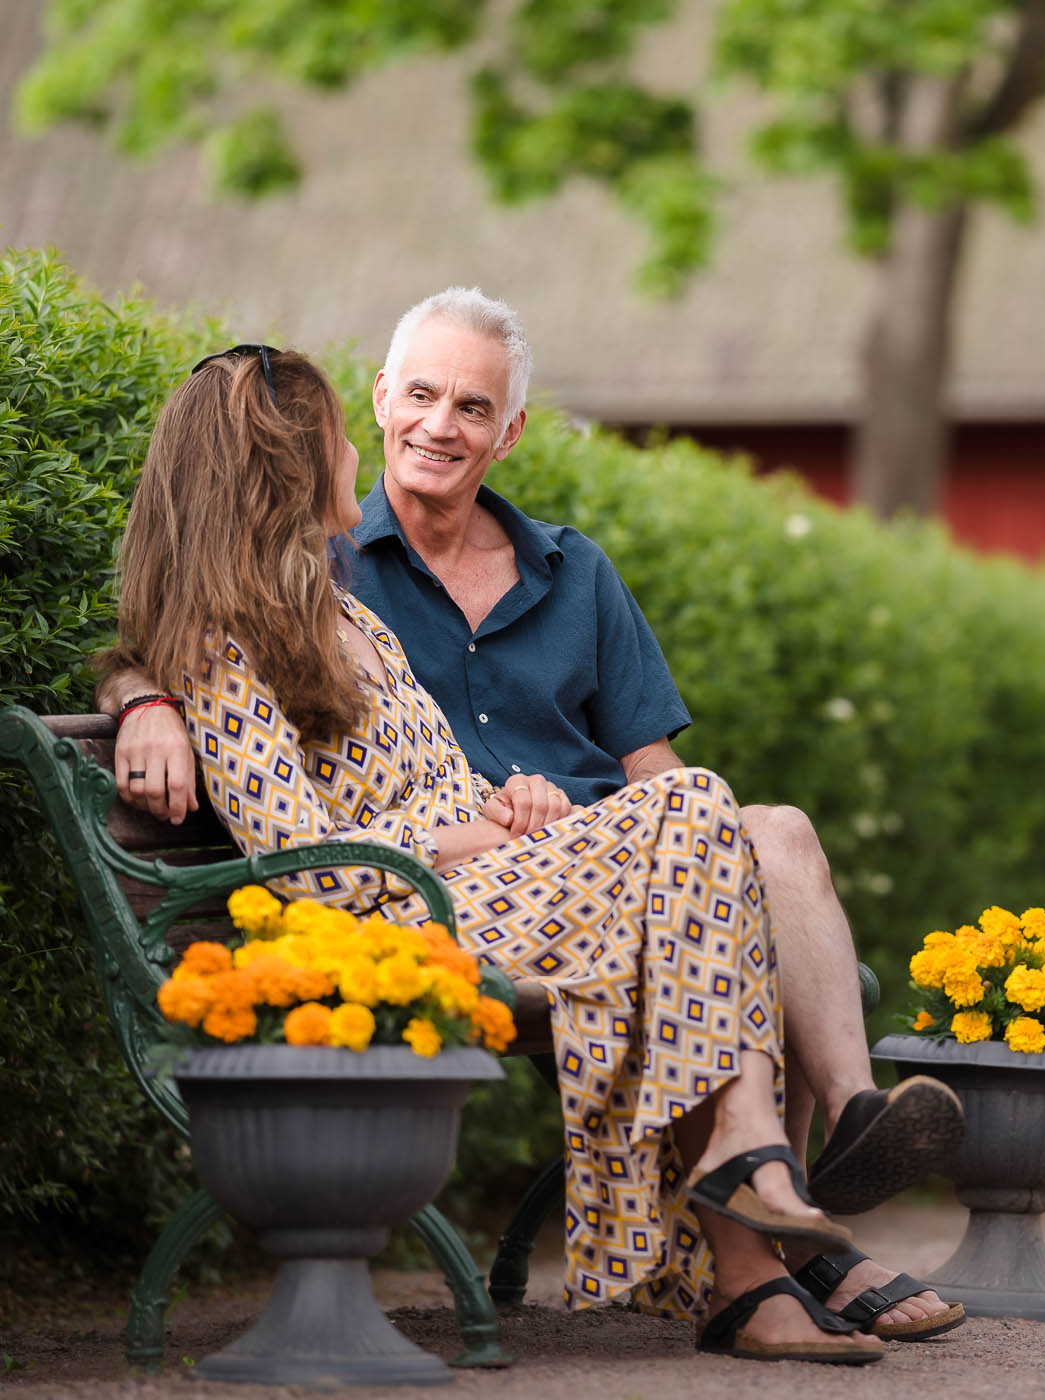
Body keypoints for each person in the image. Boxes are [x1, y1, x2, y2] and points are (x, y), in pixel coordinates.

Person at [103, 291, 963, 1339]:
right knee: (701, 811)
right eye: (390, 407)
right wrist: (140, 696)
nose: (418, 430)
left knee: (726, 821)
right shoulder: (282, 611)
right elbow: (307, 850)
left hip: (529, 867)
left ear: (507, 432)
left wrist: (508, 805)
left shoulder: (346, 610)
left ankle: (758, 1243)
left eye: (469, 405)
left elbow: (401, 781)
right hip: (428, 911)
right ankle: (755, 1176)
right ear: (299, 458)